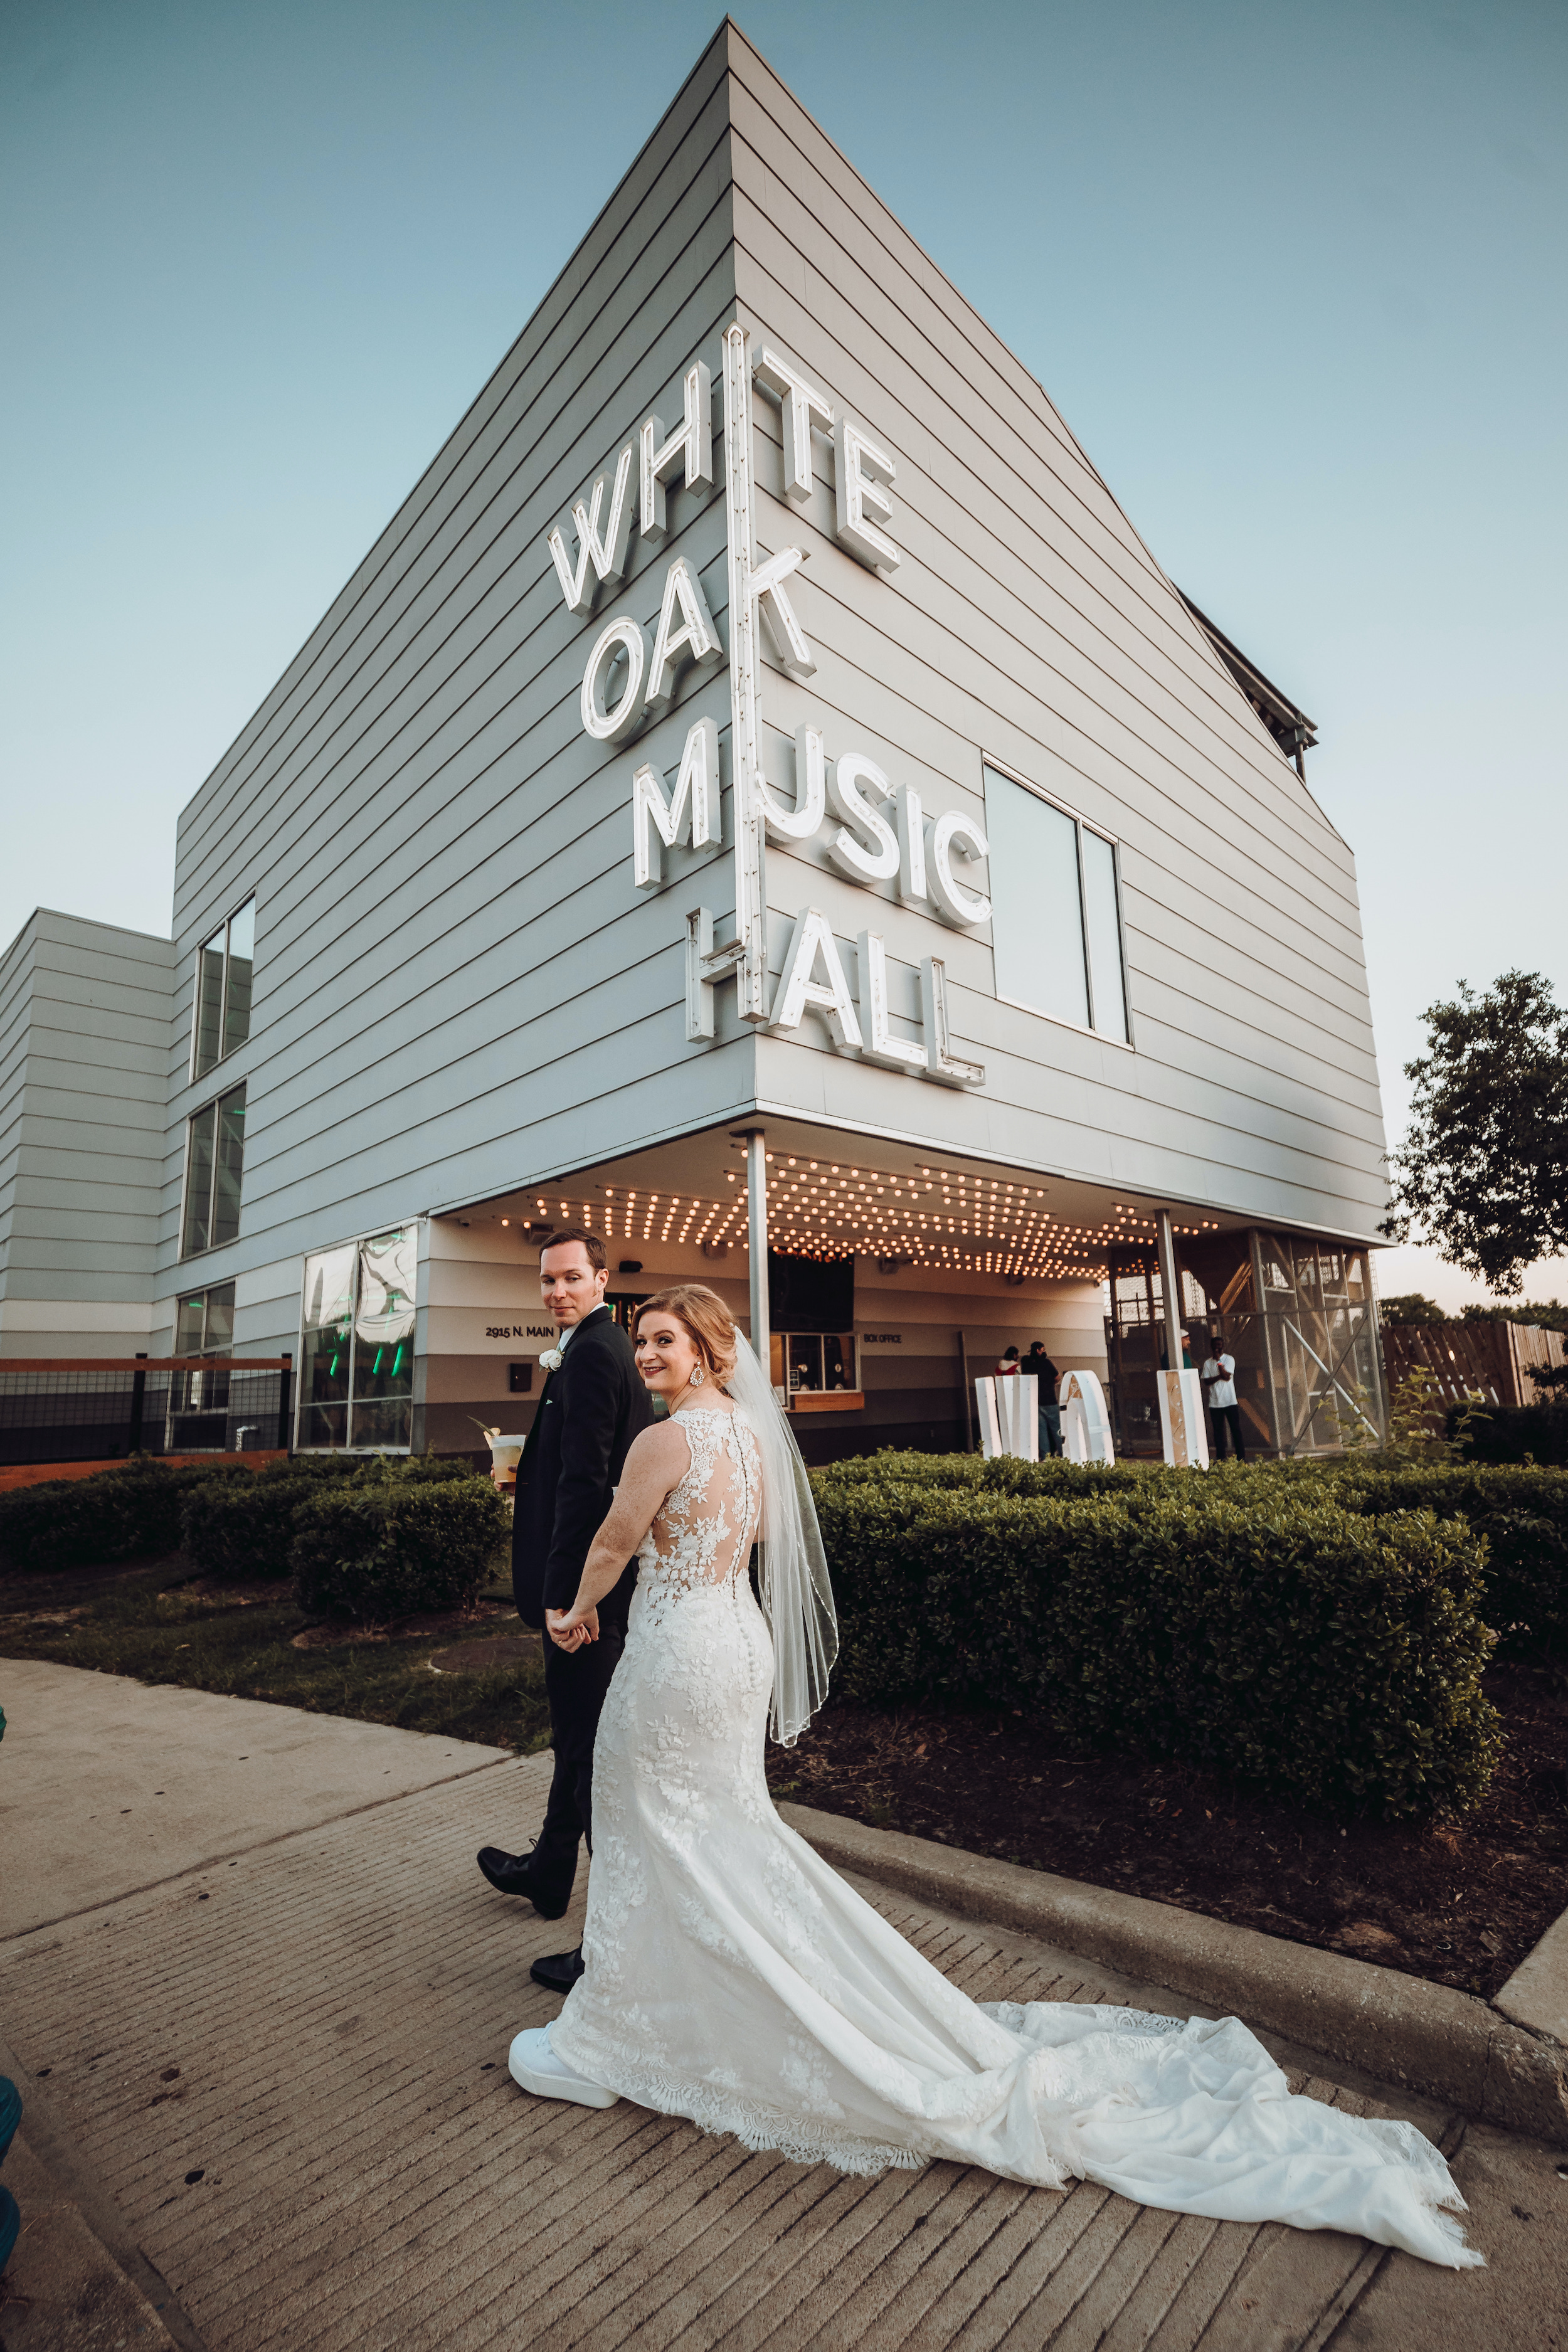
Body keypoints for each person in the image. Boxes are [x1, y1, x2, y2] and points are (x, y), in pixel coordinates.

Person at [504, 1284, 1478, 2270]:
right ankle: (658, 2003)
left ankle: (611, 2036)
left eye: (665, 1339)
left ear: (708, 1351)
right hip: (733, 1643)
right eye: (642, 1343)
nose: (649, 1355)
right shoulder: (752, 1438)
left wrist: (571, 1610)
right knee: (717, 1828)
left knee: (642, 1816)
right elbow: (751, 1545)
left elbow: (616, 1538)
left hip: (675, 1656)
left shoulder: (663, 1442)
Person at [475, 1227, 654, 1995]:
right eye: (547, 1280)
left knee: (593, 1757)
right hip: (594, 1588)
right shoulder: (593, 1347)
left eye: (572, 1278)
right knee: (579, 1742)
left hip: (587, 1596)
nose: (557, 1291)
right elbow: (577, 1466)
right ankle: (550, 1870)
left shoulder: (589, 1353)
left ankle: (604, 1944)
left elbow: (587, 1486)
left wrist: (566, 1598)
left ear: (602, 1279)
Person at [1201, 1333, 1248, 1460]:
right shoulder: (1207, 1363)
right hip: (1215, 1402)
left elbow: (1227, 1377)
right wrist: (1219, 1376)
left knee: (1235, 1429)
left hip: (1230, 1401)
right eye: (1215, 1346)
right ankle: (1221, 1458)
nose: (1217, 1348)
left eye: (1219, 1346)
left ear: (1223, 1346)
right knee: (1218, 1432)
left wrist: (1219, 1363)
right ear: (1211, 1347)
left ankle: (1241, 1458)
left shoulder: (1229, 1359)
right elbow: (1206, 1381)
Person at [1025, 1340, 1061, 1456]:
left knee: (1042, 1430)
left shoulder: (1028, 1364)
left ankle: (1045, 1455)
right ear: (1038, 1350)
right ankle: (1062, 1452)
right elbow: (1057, 1377)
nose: (1045, 1351)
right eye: (1043, 1349)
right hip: (1050, 1400)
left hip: (1036, 1401)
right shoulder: (1047, 1363)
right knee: (1057, 1428)